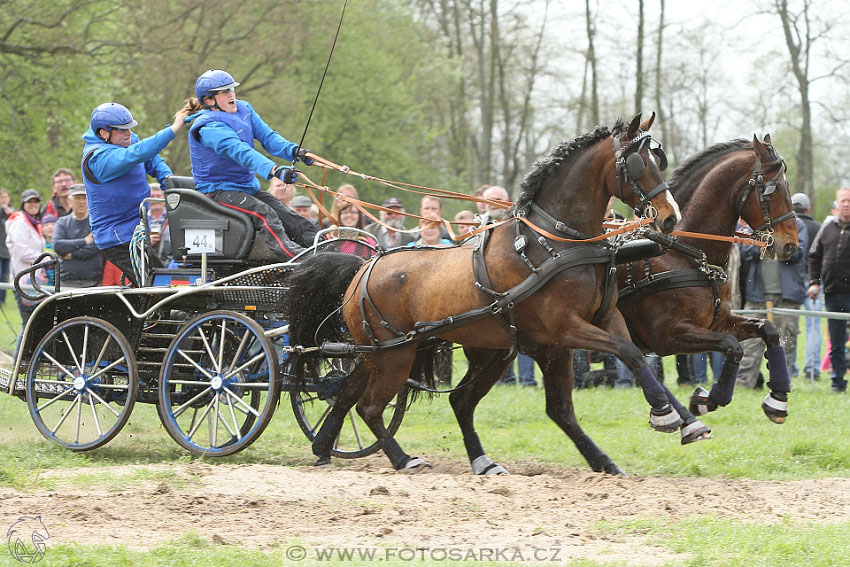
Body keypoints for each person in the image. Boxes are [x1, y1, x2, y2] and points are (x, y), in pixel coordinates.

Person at [184, 69, 318, 260]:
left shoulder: (244, 109)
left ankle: (327, 252)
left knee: (291, 218)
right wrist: (275, 170)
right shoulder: (208, 128)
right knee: (265, 214)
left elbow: (269, 137)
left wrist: (294, 151)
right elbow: (241, 152)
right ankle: (302, 261)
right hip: (218, 193)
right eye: (224, 92)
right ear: (209, 101)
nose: (232, 94)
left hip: (247, 189)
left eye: (231, 89)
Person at [82, 101, 188, 285]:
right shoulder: (98, 158)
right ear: (103, 133)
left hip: (134, 232)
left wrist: (168, 182)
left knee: (160, 284)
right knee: (158, 285)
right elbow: (136, 154)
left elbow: (151, 158)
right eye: (122, 130)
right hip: (118, 239)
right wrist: (174, 129)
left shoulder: (124, 139)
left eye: (129, 128)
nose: (128, 133)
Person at [737, 216, 808, 389]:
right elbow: (745, 252)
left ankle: (781, 385)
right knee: (749, 343)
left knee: (785, 342)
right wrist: (767, 243)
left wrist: (773, 242)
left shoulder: (796, 224)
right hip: (757, 296)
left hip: (787, 297)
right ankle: (743, 384)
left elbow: (797, 254)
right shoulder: (756, 225)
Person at [808, 187, 850, 393]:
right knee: (836, 341)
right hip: (832, 293)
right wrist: (813, 283)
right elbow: (814, 256)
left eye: (849, 201)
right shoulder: (827, 227)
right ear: (837, 203)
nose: (846, 204)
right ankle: (837, 381)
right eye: (843, 200)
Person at [5, 189, 45, 353]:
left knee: (33, 323)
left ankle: (26, 362)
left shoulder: (33, 223)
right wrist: (46, 258)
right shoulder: (20, 223)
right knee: (27, 323)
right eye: (30, 202)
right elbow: (23, 253)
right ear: (23, 204)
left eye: (36, 201)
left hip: (33, 279)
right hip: (22, 280)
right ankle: (18, 364)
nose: (33, 204)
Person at [792, 192, 823, 381]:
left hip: (793, 283)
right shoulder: (820, 228)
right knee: (813, 327)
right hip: (814, 282)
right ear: (808, 209)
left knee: (791, 327)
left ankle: (792, 368)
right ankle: (812, 368)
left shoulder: (788, 225)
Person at [52, 184, 103, 288]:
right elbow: (58, 246)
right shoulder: (62, 222)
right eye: (77, 198)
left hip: (93, 281)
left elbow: (96, 246)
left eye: (84, 198)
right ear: (69, 201)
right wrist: (84, 241)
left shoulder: (96, 223)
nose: (81, 202)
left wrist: (72, 254)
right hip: (66, 282)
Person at [147, 183, 171, 264]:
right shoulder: (141, 219)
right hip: (148, 264)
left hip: (171, 264)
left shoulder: (172, 217)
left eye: (158, 196)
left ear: (164, 198)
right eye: (152, 196)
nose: (155, 200)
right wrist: (147, 242)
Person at [0, 189, 13, 303]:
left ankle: (2, 300)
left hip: (7, 250)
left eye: (5, 197)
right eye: (1, 197)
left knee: (4, 277)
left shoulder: (12, 213)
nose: (3, 200)